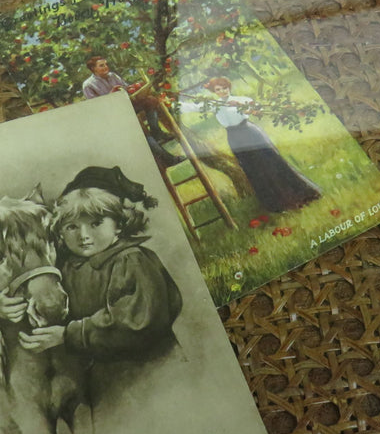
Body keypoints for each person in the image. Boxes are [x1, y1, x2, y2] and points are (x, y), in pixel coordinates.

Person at [18, 166, 183, 409]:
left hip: (150, 374)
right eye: (72, 227)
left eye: (95, 223)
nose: (83, 235)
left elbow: (137, 322)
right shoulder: (66, 268)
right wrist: (3, 308)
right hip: (102, 384)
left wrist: (68, 335)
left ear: (118, 225)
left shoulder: (132, 260)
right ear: (60, 232)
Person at [198, 77, 322, 213]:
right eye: (218, 90)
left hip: (250, 133)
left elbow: (257, 110)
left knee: (273, 163)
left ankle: (301, 195)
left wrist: (241, 106)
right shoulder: (213, 105)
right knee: (254, 170)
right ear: (214, 92)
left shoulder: (241, 99)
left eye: (224, 88)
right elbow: (191, 107)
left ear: (229, 87)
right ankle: (276, 205)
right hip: (234, 139)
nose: (222, 91)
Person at [82, 55, 181, 168]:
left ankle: (156, 132)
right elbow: (97, 107)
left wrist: (132, 88)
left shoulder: (112, 76)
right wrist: (111, 95)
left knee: (151, 100)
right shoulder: (88, 85)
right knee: (141, 131)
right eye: (101, 65)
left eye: (106, 64)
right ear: (93, 68)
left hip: (127, 106)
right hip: (114, 115)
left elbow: (126, 88)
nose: (105, 67)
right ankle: (168, 160)